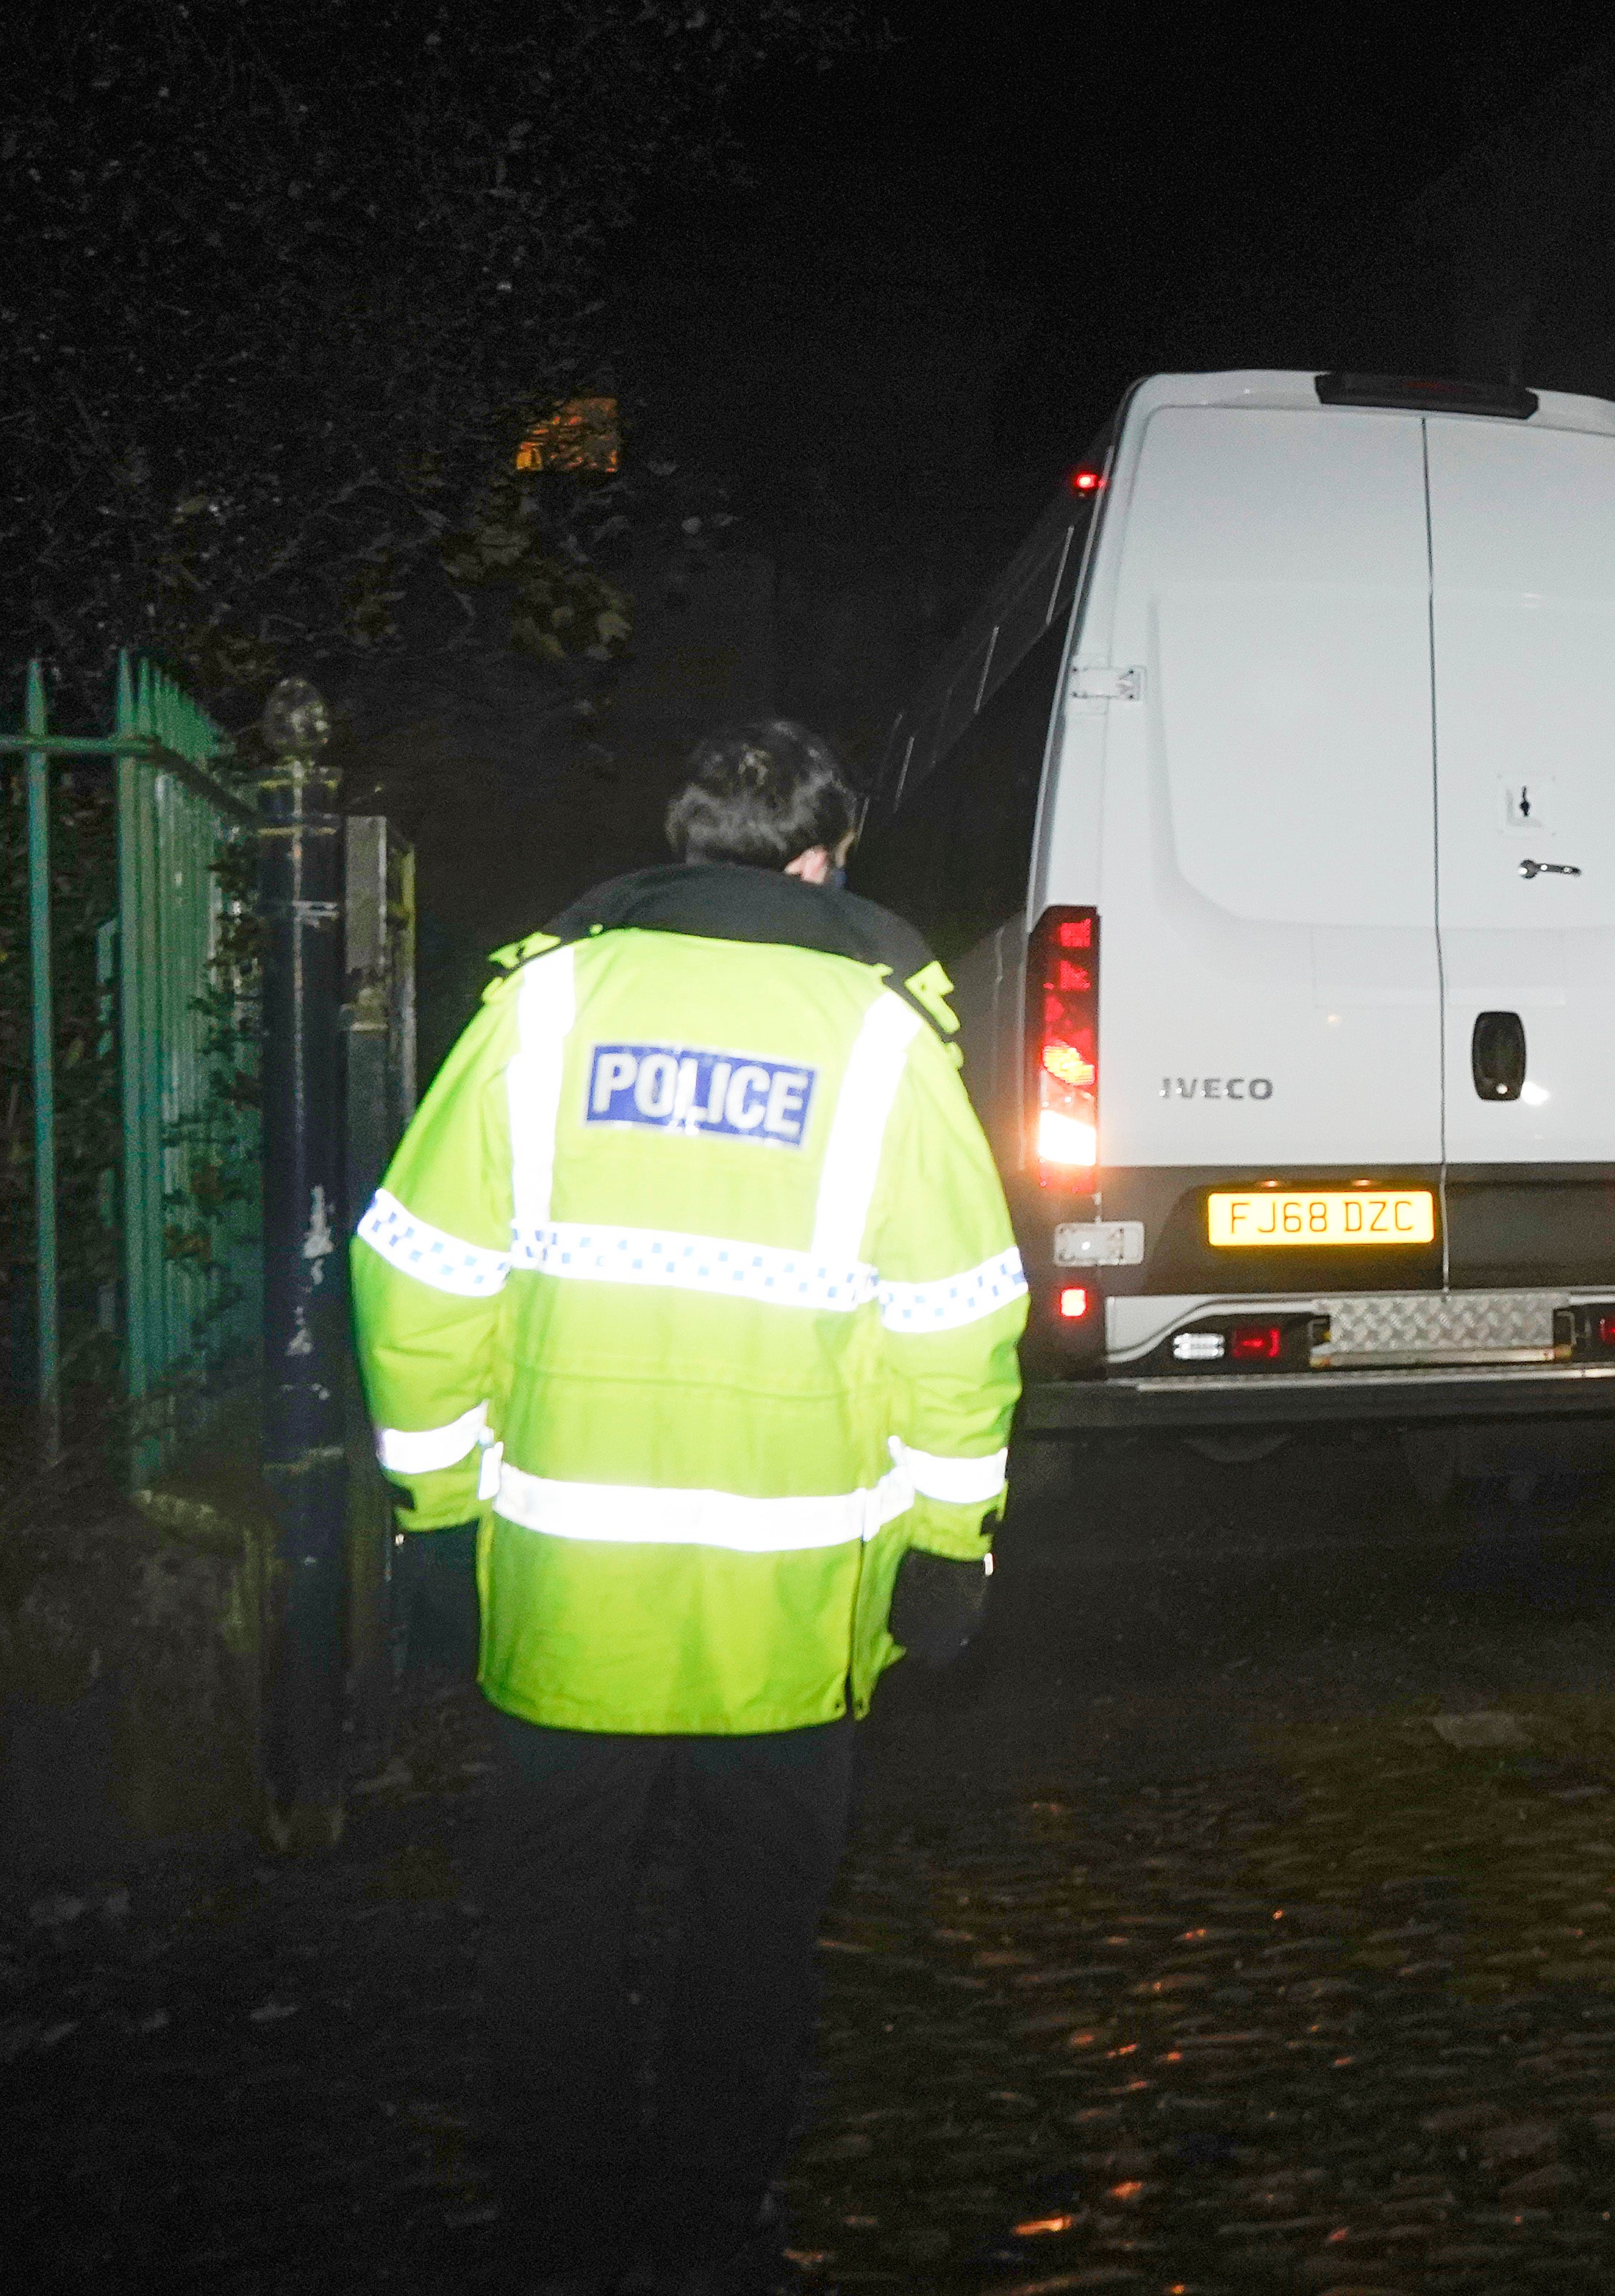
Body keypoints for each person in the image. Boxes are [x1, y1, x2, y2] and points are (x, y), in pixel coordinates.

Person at [354, 719, 1027, 2295]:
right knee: (752, 1936)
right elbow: (956, 1319)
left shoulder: (546, 1005)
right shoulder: (878, 1040)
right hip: (785, 1620)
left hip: (568, 1599)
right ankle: (717, 2217)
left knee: (555, 1928)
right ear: (819, 858)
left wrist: (437, 1517)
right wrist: (949, 1546)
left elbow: (415, 1284)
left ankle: (560, 2220)